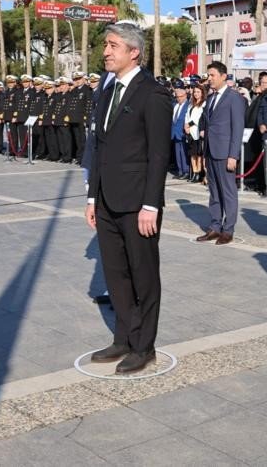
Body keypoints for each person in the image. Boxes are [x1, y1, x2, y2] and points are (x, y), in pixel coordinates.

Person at [85, 23, 171, 374]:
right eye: (106, 45)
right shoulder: (106, 90)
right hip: (106, 199)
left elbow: (158, 154)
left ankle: (144, 346)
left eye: (113, 45)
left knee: (143, 274)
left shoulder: (153, 93)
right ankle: (124, 337)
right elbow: (99, 148)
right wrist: (93, 197)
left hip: (138, 203)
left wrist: (151, 204)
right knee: (116, 274)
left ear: (134, 52)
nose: (106, 51)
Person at [196, 61, 245, 246]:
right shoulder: (210, 97)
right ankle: (215, 227)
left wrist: (233, 155)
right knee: (214, 192)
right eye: (208, 75)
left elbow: (237, 128)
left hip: (225, 153)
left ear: (224, 76)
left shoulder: (234, 98)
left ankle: (228, 229)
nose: (209, 79)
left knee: (228, 192)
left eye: (212, 75)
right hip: (211, 151)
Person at [185, 84, 206, 183]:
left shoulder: (204, 104)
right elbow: (187, 116)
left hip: (198, 132)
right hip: (190, 133)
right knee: (192, 154)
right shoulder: (190, 104)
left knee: (199, 154)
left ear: (202, 93)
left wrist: (189, 124)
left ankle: (198, 173)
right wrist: (186, 126)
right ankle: (194, 172)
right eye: (195, 92)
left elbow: (199, 118)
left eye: (198, 92)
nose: (196, 94)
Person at [170, 79, 191, 179]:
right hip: (175, 132)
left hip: (183, 132)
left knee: (183, 152)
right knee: (177, 153)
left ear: (184, 96)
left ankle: (186, 171)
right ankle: (180, 170)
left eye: (179, 97)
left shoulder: (188, 105)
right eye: (176, 97)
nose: (177, 98)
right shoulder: (175, 105)